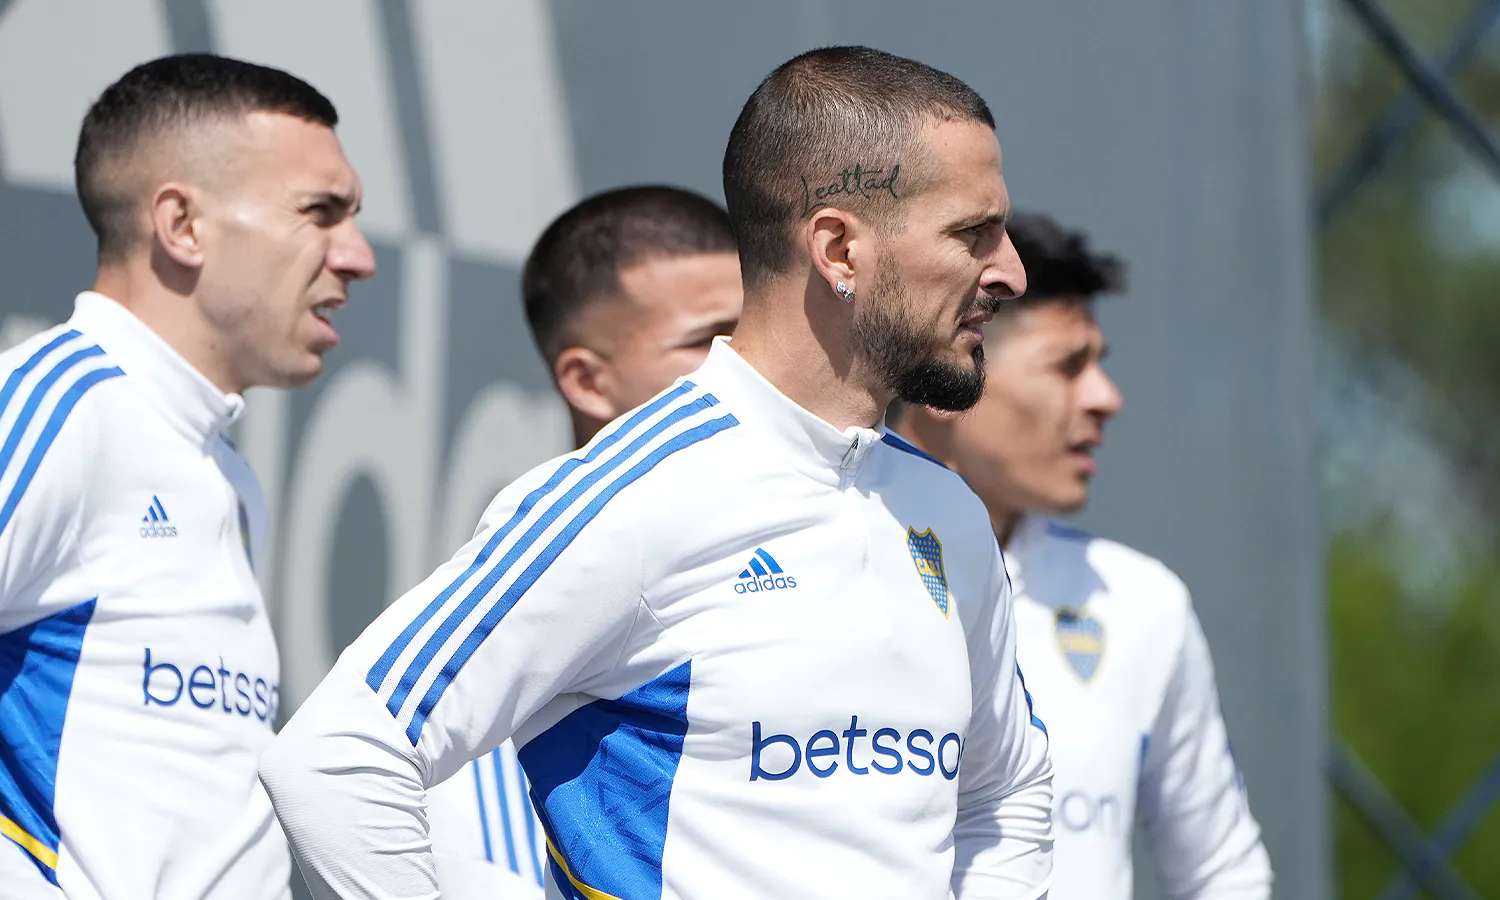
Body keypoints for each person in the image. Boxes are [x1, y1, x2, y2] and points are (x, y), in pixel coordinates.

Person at [260, 46, 1054, 900]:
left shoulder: (945, 509)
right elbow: (339, 756)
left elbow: (1006, 795)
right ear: (839, 250)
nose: (1010, 271)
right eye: (972, 233)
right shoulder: (638, 493)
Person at [0, 54, 375, 898]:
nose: (358, 257)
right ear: (183, 225)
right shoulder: (59, 409)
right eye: (322, 213)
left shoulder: (223, 471)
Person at [892, 212, 1273, 899]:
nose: (1106, 399)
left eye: (1100, 364)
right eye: (1068, 366)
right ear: (947, 374)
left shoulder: (1139, 603)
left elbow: (1225, 872)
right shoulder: (813, 571)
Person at [423, 185, 742, 898]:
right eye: (707, 341)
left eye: (751, 338)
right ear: (587, 381)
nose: (746, 369)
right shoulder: (510, 624)